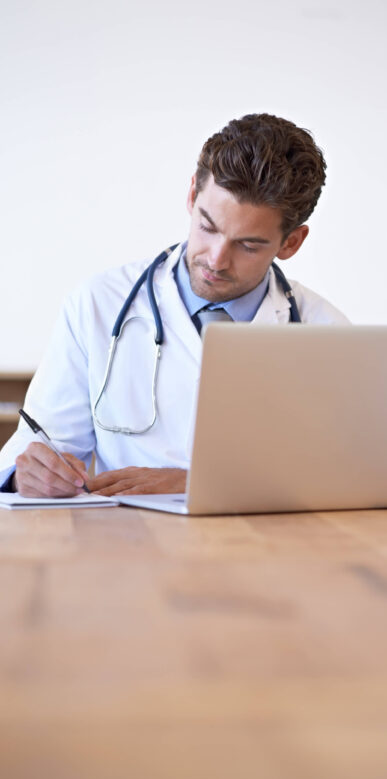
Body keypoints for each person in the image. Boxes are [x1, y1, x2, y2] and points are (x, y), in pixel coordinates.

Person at [0, 113, 349, 498]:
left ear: (291, 243)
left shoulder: (326, 334)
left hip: (262, 549)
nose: (216, 259)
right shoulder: (98, 305)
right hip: (129, 546)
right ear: (191, 196)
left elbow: (347, 473)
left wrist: (199, 484)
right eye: (208, 226)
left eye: (248, 245)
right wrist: (26, 475)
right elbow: (38, 449)